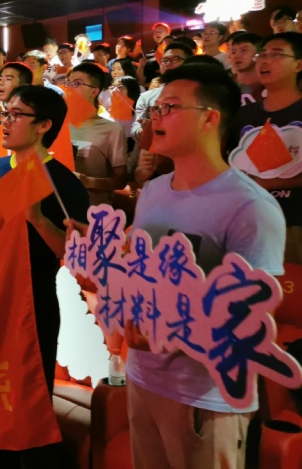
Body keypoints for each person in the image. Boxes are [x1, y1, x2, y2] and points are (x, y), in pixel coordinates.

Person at [96, 63, 286, 469]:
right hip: (144, 377)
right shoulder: (153, 191)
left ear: (210, 119)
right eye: (155, 109)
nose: (156, 117)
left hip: (206, 396)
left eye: (169, 108)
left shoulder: (249, 206)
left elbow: (253, 318)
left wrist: (172, 329)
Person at [0, 85, 89, 468]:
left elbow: (75, 257)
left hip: (32, 304)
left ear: (44, 125)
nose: (5, 121)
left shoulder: (65, 183)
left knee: (26, 398)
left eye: (16, 115)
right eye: (6, 113)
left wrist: (36, 218)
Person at [229, 31, 302, 264]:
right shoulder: (244, 115)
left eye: (277, 54)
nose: (265, 60)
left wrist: (269, 183)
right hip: (247, 222)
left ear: (299, 64)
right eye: (262, 55)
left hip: (294, 223)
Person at [67, 62, 128, 206]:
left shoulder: (111, 130)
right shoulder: (59, 125)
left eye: (77, 83)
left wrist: (89, 181)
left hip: (93, 211)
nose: (69, 88)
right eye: (68, 83)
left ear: (94, 91)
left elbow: (121, 180)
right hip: (61, 208)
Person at [131, 42, 194, 143]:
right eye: (164, 60)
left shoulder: (198, 93)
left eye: (174, 59)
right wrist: (146, 130)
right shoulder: (146, 97)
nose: (168, 63)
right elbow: (135, 129)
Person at [226, 32, 264, 104]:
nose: (236, 56)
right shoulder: (225, 87)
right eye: (233, 52)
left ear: (259, 54)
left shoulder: (272, 85)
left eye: (244, 50)